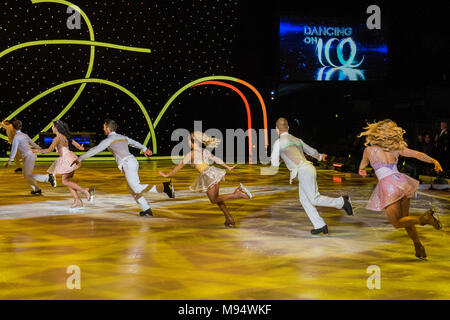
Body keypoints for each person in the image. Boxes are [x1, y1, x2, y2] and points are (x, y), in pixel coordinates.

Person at [358, 119, 443, 260]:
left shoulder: (368, 150)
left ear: (376, 134)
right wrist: (433, 161)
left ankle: (424, 218)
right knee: (405, 219)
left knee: (397, 223)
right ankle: (418, 246)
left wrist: (362, 170)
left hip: (388, 186)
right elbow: (417, 154)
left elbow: (363, 164)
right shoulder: (396, 149)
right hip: (402, 182)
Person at [262, 118, 353, 235]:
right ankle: (320, 225)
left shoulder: (278, 143)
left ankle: (342, 202)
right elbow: (311, 151)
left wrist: (281, 157)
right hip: (308, 169)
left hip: (303, 171)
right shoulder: (297, 139)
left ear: (276, 129)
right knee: (304, 200)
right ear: (288, 128)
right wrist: (320, 157)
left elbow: (274, 164)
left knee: (314, 199)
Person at [71, 119, 174, 216]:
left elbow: (95, 150)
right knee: (131, 189)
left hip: (127, 163)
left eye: (103, 127)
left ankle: (164, 187)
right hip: (131, 162)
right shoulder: (121, 137)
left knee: (136, 188)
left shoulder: (109, 140)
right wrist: (144, 148)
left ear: (107, 128)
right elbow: (134, 142)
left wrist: (79, 159)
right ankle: (146, 209)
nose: (103, 129)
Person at [158, 131, 251, 228]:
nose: (187, 143)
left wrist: (166, 175)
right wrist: (227, 167)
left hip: (207, 176)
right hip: (214, 173)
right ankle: (229, 218)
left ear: (194, 142)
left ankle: (236, 194)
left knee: (214, 200)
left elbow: (179, 167)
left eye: (188, 141)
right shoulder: (204, 150)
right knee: (218, 199)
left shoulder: (191, 154)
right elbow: (216, 159)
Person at [33, 120, 93, 209]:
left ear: (56, 128)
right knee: (69, 181)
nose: (52, 128)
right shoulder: (65, 136)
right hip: (71, 157)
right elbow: (74, 143)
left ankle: (84, 191)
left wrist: (37, 150)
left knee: (65, 181)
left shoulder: (57, 138)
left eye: (53, 126)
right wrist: (80, 147)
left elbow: (49, 150)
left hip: (66, 159)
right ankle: (77, 201)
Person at [6, 119, 56, 194]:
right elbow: (32, 143)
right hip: (30, 155)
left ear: (13, 128)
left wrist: (9, 161)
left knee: (27, 175)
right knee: (27, 175)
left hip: (29, 156)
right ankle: (37, 189)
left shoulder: (16, 137)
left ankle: (46, 178)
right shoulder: (24, 135)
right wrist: (40, 148)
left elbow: (14, 150)